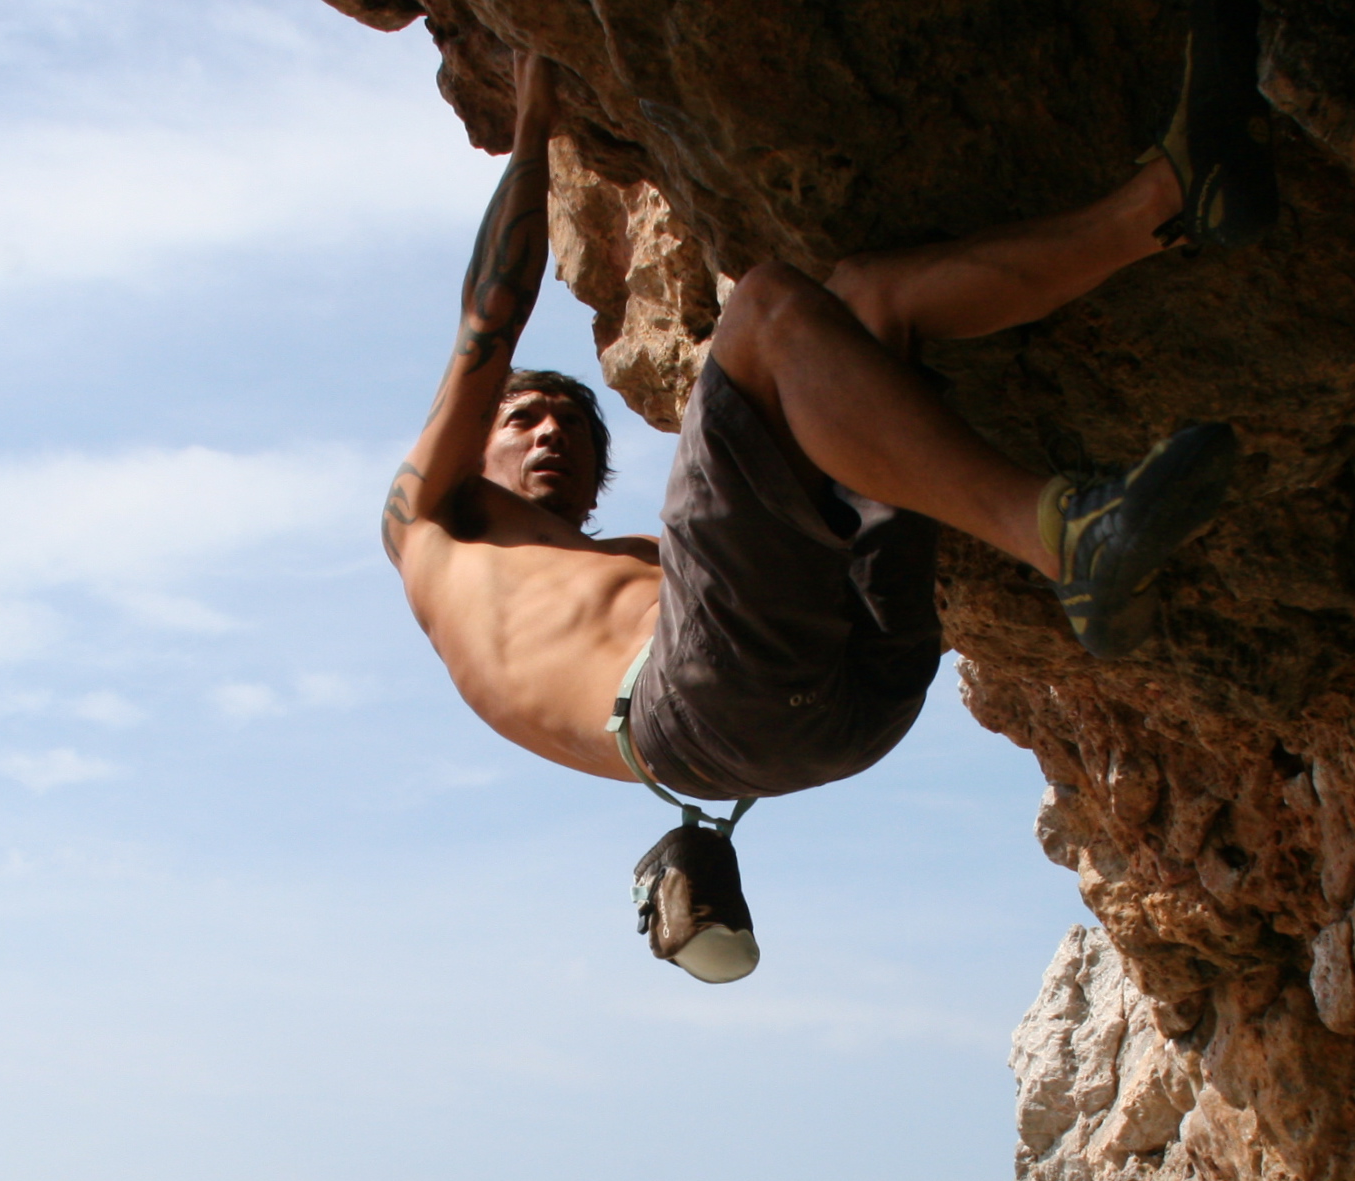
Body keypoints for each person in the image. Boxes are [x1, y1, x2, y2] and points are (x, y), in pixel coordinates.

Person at [377, 1, 1277, 981]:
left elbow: (794, 499)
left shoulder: (636, 564)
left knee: (865, 303)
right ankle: (1063, 538)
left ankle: (1165, 200)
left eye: (575, 428)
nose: (552, 431)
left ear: (599, 479)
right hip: (705, 712)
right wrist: (534, 124)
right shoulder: (429, 525)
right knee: (764, 308)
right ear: (474, 447)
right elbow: (490, 319)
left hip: (846, 702)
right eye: (523, 419)